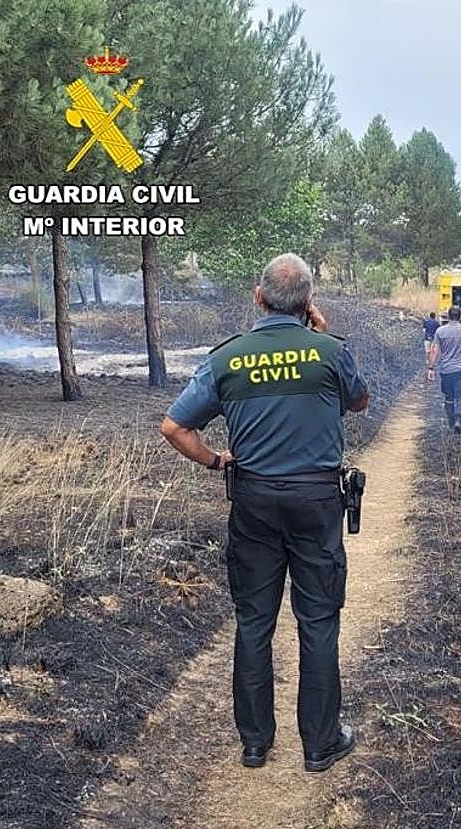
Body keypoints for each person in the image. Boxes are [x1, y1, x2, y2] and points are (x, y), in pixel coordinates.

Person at [160, 253, 369, 772]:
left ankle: (255, 743)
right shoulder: (329, 351)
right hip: (317, 501)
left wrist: (216, 461)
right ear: (308, 303)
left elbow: (174, 428)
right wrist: (324, 334)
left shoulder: (227, 357)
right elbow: (359, 402)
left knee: (254, 621)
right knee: (318, 622)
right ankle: (320, 745)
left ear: (259, 297)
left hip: (252, 500)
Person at [428, 305, 461, 433]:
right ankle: (458, 420)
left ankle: (451, 419)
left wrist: (431, 367)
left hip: (446, 369)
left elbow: (434, 350)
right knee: (460, 397)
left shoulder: (440, 331)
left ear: (448, 316)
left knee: (449, 397)